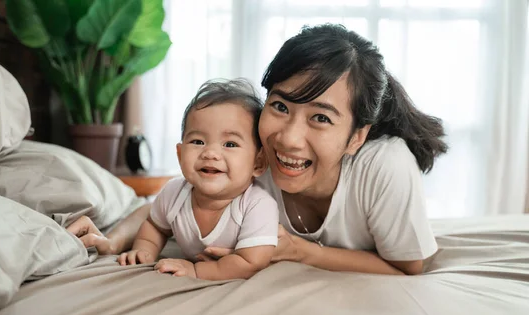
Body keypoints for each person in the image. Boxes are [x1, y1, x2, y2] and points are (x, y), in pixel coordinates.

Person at [69, 23, 447, 276]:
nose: (288, 139)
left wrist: (302, 252)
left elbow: (408, 266)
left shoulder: (384, 166)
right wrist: (112, 241)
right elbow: (171, 203)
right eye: (280, 107)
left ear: (356, 137)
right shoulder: (255, 152)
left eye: (321, 118)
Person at [70, 79, 278, 280]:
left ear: (258, 163)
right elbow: (154, 227)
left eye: (230, 144)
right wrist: (144, 250)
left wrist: (197, 271)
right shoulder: (174, 193)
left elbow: (251, 263)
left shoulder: (258, 205)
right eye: (198, 141)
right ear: (180, 155)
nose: (210, 153)